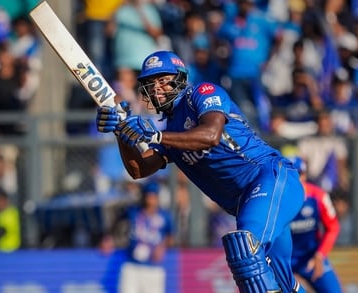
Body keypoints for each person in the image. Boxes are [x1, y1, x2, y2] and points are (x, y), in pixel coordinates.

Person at [95, 50, 307, 292]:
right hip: (248, 202)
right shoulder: (171, 131)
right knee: (283, 284)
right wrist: (122, 132)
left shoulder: (202, 93)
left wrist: (155, 135)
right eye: (150, 84)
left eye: (163, 80)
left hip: (271, 179)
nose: (156, 89)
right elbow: (139, 169)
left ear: (181, 78)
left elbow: (211, 135)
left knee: (245, 249)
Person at [103, 180, 174, 293]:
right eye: (148, 196)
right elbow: (117, 221)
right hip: (132, 265)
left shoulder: (165, 216)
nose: (151, 200)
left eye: (153, 196)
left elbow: (171, 236)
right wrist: (109, 238)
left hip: (153, 268)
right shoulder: (134, 212)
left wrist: (162, 246)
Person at [289, 157, 342, 293]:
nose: (295, 179)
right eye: (290, 174)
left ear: (305, 175)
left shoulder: (318, 196)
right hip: (285, 261)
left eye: (299, 174)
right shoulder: (276, 200)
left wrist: (320, 255)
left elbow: (333, 227)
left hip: (311, 257)